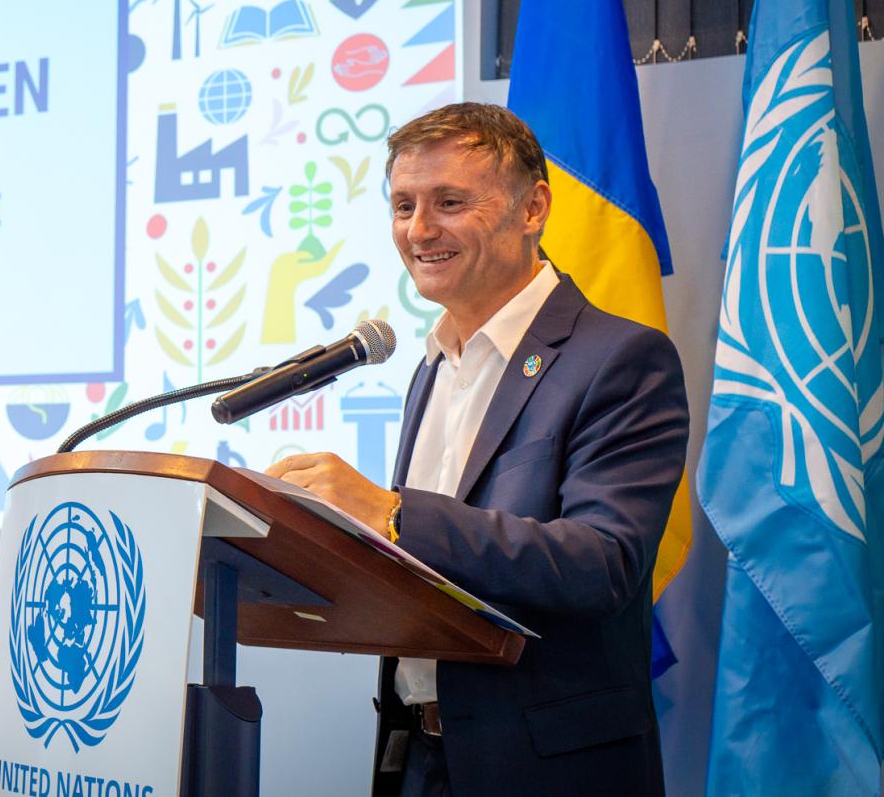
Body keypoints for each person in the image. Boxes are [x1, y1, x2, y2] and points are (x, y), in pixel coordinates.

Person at [266, 103, 688, 796]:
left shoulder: (619, 359)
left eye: (449, 202)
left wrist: (394, 513)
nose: (419, 230)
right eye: (402, 205)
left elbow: (603, 563)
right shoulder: (429, 368)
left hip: (547, 769)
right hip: (418, 761)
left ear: (533, 209)